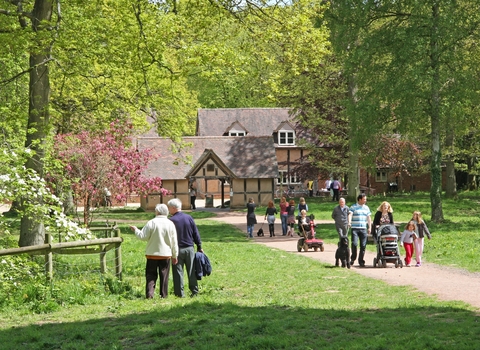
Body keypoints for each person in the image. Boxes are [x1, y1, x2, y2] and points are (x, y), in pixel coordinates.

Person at [129, 204, 178, 299]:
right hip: (165, 254)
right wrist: (175, 255)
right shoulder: (170, 223)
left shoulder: (151, 222)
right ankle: (163, 295)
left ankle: (149, 294)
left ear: (157, 211)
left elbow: (143, 236)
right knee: (164, 276)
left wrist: (136, 230)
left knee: (150, 275)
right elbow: (174, 242)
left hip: (152, 254)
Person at [167, 198, 203, 298]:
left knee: (178, 272)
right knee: (191, 270)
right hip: (189, 248)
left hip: (177, 250)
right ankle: (194, 291)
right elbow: (195, 232)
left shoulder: (171, 221)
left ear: (174, 208)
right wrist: (199, 246)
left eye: (169, 208)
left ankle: (179, 293)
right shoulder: (189, 218)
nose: (169, 210)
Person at [348, 193, 372, 267]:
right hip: (355, 228)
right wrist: (349, 222)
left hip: (363, 229)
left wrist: (370, 227)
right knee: (354, 244)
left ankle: (361, 261)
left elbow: (368, 218)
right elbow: (350, 215)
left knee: (363, 245)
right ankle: (352, 258)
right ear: (360, 199)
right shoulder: (353, 207)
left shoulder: (366, 208)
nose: (365, 200)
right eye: (364, 199)